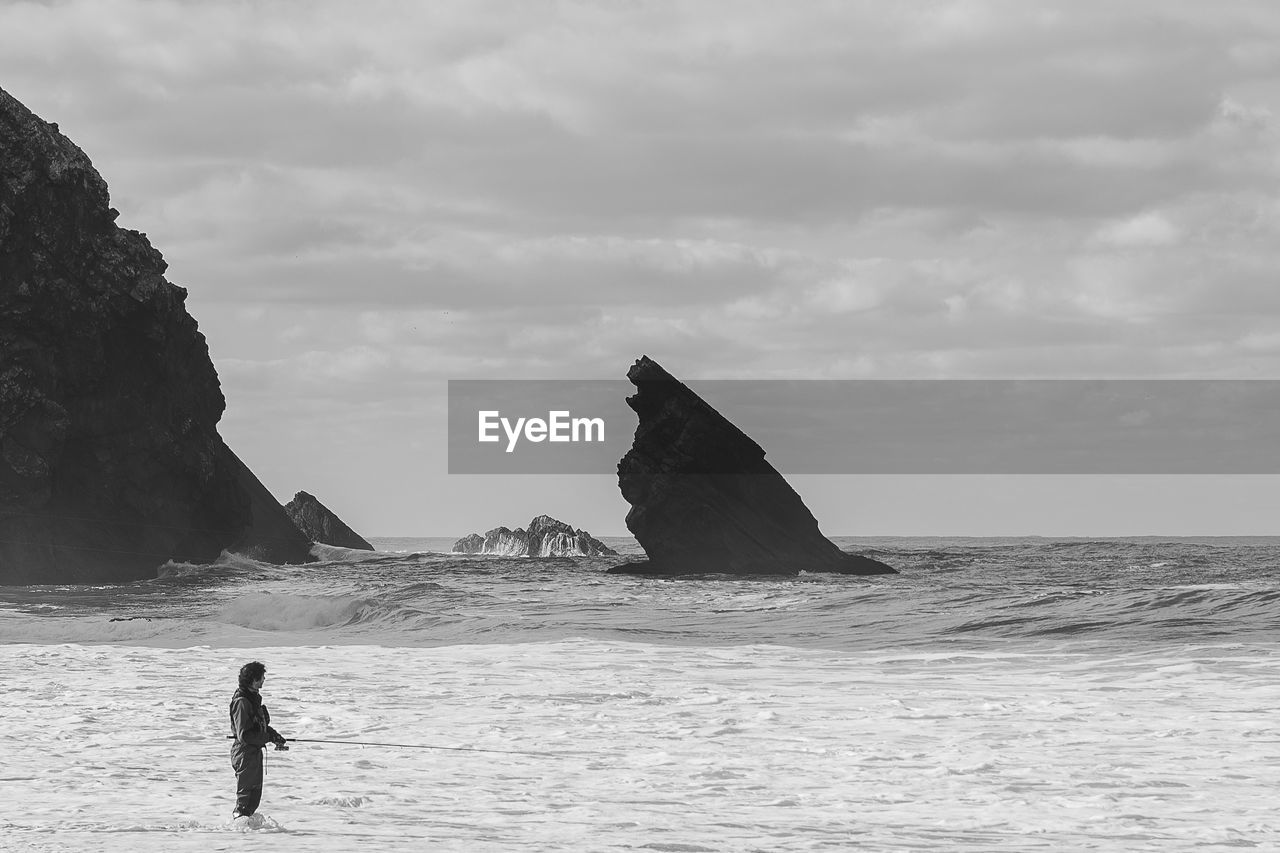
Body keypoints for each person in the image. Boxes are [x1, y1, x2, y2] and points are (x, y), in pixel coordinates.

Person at [228, 660, 288, 819]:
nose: (264, 680)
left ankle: (249, 836)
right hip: (244, 752)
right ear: (253, 679)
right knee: (245, 798)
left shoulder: (252, 698)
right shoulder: (242, 701)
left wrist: (274, 736)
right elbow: (245, 735)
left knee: (254, 797)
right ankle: (239, 829)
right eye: (261, 677)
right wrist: (267, 737)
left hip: (253, 752)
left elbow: (258, 726)